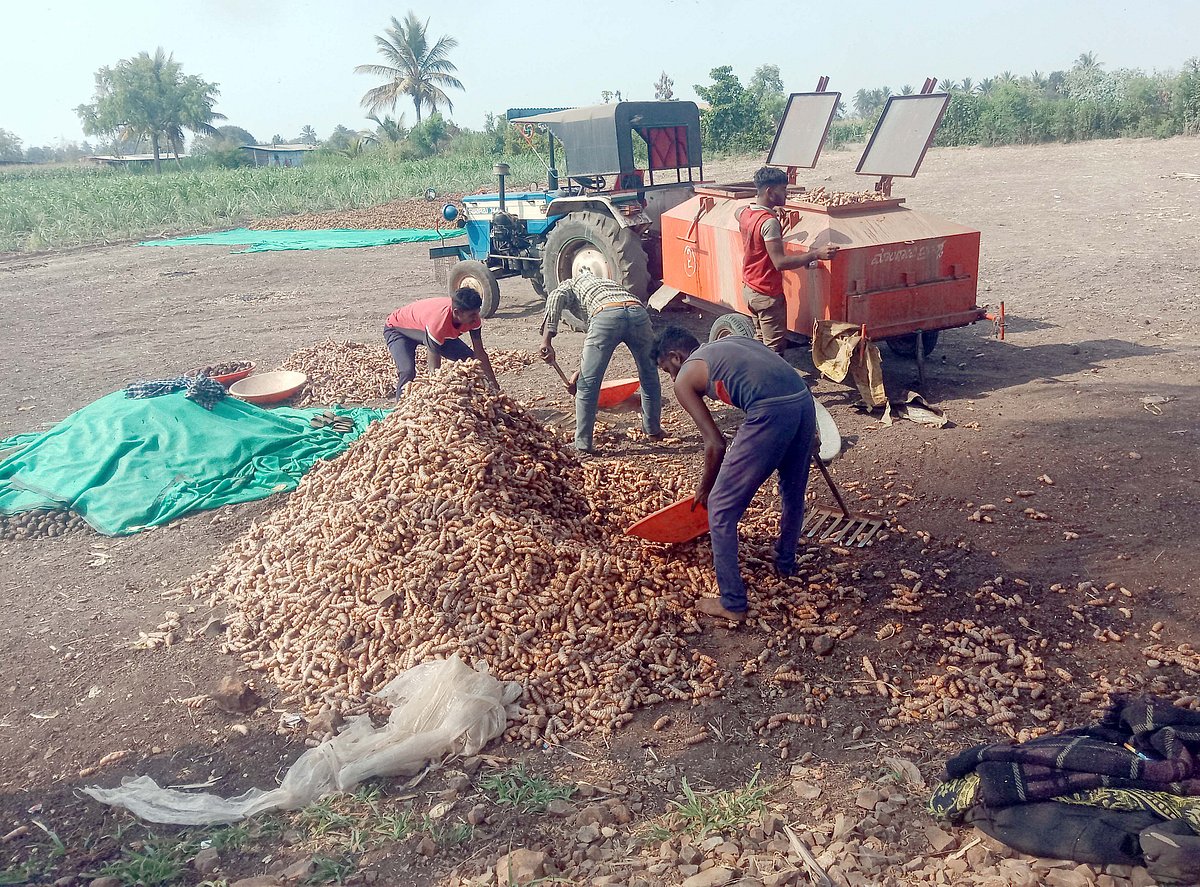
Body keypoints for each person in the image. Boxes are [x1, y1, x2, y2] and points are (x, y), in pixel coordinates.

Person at [653, 325, 816, 622]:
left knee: (720, 508)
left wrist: (706, 489)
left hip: (771, 411)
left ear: (675, 357)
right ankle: (786, 563)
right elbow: (779, 372)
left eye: (667, 370)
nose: (672, 378)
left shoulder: (686, 376)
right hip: (803, 402)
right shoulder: (731, 342)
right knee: (792, 491)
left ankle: (732, 602)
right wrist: (808, 429)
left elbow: (715, 443)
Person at [540, 270, 663, 453]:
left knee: (588, 386)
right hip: (638, 313)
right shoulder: (608, 283)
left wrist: (546, 341)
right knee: (649, 374)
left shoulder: (571, 284)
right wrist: (581, 371)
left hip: (606, 315)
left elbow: (556, 296)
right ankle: (653, 430)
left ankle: (582, 446)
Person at [739, 166, 840, 353]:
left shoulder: (745, 213)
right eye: (783, 190)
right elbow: (780, 262)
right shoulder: (769, 222)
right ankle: (773, 382)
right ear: (770, 192)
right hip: (766, 292)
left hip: (750, 289)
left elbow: (738, 211)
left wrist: (771, 208)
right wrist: (816, 254)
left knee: (760, 341)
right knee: (774, 349)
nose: (786, 194)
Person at [384, 289, 498, 397]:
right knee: (407, 371)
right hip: (398, 329)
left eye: (477, 313)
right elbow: (434, 371)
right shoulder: (438, 324)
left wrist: (494, 385)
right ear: (457, 312)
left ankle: (480, 397)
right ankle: (400, 410)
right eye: (472, 315)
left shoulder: (474, 319)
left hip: (426, 328)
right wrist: (438, 400)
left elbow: (480, 354)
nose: (476, 318)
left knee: (470, 361)